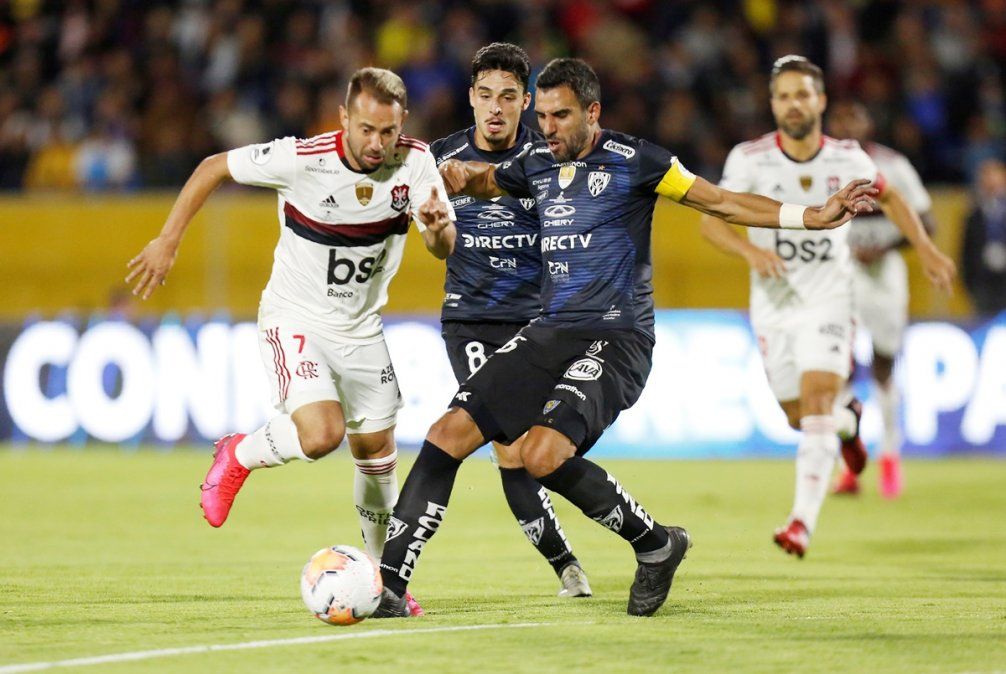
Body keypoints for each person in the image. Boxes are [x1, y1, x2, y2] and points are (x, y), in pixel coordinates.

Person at [372, 57, 877, 619]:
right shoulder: (537, 160)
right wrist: (460, 177)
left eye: (560, 115)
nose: (547, 128)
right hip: (550, 332)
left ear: (593, 112)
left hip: (618, 337)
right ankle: (389, 586)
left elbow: (722, 201)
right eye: (541, 115)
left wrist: (813, 214)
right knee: (447, 433)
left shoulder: (640, 161)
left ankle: (654, 545)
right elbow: (490, 179)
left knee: (541, 455)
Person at [125, 68, 456, 616]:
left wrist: (439, 227)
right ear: (344, 118)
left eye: (389, 132)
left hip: (362, 330)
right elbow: (212, 167)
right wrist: (167, 239)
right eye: (367, 129)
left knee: (377, 459)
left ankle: (386, 582)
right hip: (295, 318)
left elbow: (442, 247)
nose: (378, 144)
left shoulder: (417, 163)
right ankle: (239, 453)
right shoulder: (302, 159)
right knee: (322, 433)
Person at [700, 56, 955, 558]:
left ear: (820, 101)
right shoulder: (749, 159)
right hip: (773, 304)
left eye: (803, 94)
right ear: (773, 105)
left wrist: (924, 248)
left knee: (816, 401)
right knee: (800, 416)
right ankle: (848, 422)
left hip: (830, 299)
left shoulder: (848, 158)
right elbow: (712, 219)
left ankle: (800, 522)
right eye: (784, 96)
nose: (794, 103)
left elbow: (894, 198)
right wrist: (750, 251)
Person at [430, 43, 591, 598]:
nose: (494, 108)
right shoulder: (439, 158)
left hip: (540, 321)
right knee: (511, 446)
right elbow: (428, 239)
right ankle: (565, 563)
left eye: (507, 97)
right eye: (483, 96)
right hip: (472, 320)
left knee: (541, 449)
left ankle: (587, 548)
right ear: (470, 99)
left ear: (526, 101)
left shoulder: (548, 157)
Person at [827, 100, 937, 499]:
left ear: (869, 120)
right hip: (840, 274)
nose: (846, 123)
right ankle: (850, 468)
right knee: (839, 365)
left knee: (885, 365)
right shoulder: (818, 166)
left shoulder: (893, 166)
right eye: (840, 116)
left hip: (885, 276)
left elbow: (928, 222)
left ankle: (891, 455)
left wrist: (887, 246)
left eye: (854, 114)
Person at [961, 158, 1006, 315]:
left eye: (994, 174)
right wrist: (969, 283)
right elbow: (966, 251)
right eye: (985, 175)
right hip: (983, 283)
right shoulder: (974, 213)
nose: (990, 180)